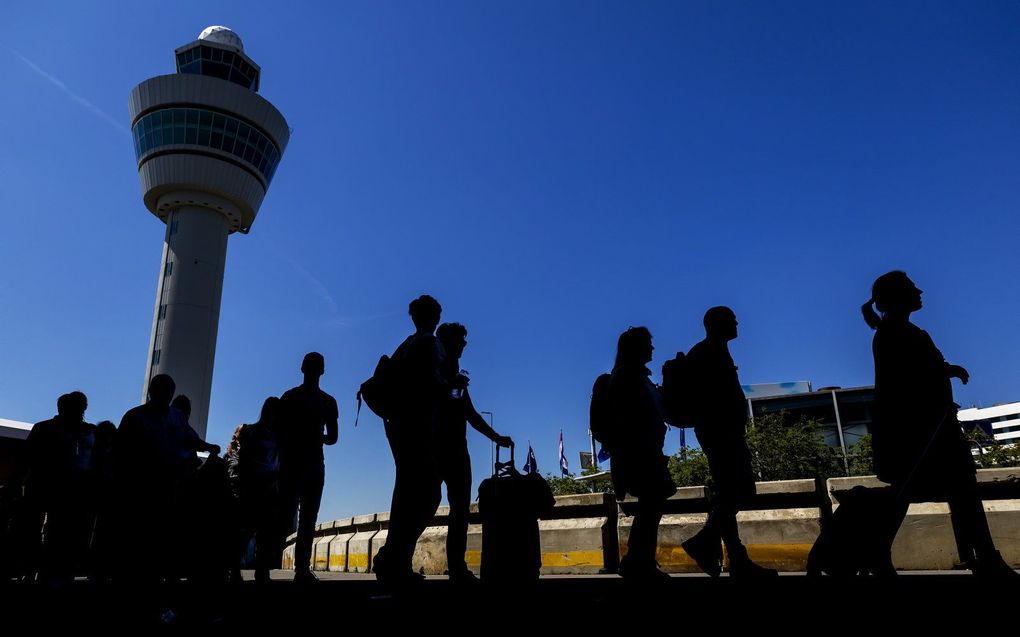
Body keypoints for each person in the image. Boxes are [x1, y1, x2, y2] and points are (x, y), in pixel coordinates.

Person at [862, 271, 1018, 579]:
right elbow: (909, 378)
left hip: (930, 430)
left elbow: (919, 370)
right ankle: (981, 556)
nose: (919, 292)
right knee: (946, 492)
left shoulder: (900, 332)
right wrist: (943, 375)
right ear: (897, 296)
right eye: (911, 288)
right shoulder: (897, 333)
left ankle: (978, 555)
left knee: (929, 493)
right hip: (924, 432)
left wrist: (947, 371)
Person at [373, 295, 464, 586]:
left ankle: (393, 559)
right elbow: (430, 385)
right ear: (435, 316)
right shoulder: (430, 344)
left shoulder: (405, 345)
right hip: (420, 429)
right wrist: (454, 383)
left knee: (406, 495)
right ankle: (393, 559)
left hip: (399, 428)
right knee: (425, 496)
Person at [680, 307, 777, 578]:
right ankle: (704, 542)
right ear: (715, 324)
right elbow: (712, 398)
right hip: (721, 433)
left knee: (727, 494)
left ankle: (736, 557)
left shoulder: (713, 350)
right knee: (740, 490)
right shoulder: (707, 352)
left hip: (721, 431)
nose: (737, 323)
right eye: (731, 319)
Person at [434, 323, 512, 583]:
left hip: (456, 451)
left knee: (459, 511)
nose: (464, 345)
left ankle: (457, 566)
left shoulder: (454, 374)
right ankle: (397, 559)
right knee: (428, 506)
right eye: (461, 340)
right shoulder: (433, 369)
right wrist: (450, 386)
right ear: (449, 341)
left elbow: (469, 413)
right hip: (435, 449)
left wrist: (496, 437)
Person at [606, 327, 675, 582]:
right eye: (648, 343)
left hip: (646, 451)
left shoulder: (639, 378)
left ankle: (638, 559)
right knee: (652, 503)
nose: (652, 349)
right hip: (639, 453)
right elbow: (628, 419)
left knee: (652, 505)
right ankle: (638, 560)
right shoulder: (626, 377)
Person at [23, 391, 96, 586]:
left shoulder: (43, 428)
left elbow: (26, 460)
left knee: (40, 531)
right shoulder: (88, 433)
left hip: (44, 489)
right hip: (67, 493)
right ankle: (56, 572)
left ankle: (35, 570)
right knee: (63, 533)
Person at [278, 353, 338, 584]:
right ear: (322, 371)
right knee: (308, 518)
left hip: (292, 463)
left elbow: (279, 431)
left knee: (283, 514)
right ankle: (301, 568)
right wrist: (316, 437)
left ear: (302, 368)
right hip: (314, 463)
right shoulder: (328, 401)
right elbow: (333, 438)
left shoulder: (289, 397)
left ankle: (264, 565)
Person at [230, 397, 283, 584]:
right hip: (255, 485)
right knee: (250, 530)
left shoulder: (271, 435)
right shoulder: (251, 431)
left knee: (262, 532)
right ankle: (241, 570)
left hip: (268, 485)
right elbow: (243, 460)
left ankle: (258, 571)